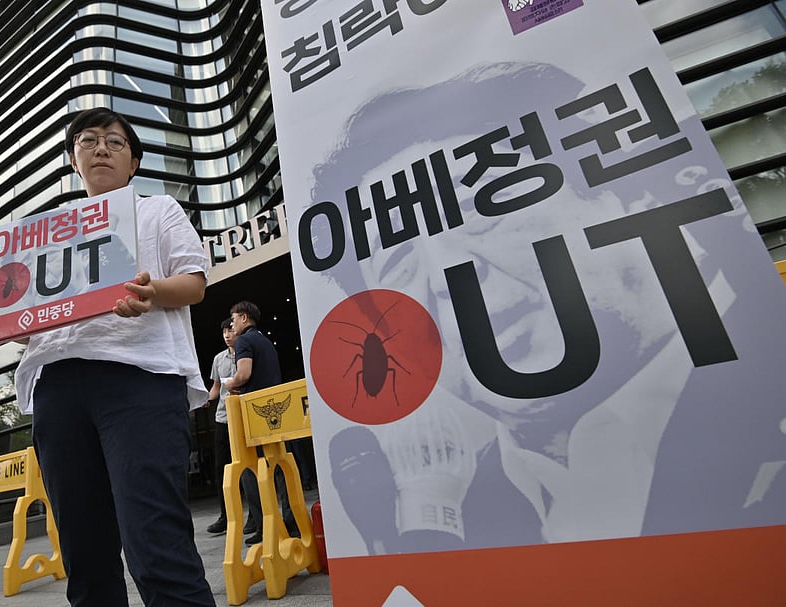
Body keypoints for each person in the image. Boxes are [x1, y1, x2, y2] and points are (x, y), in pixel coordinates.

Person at [307, 61, 786, 554]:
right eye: (396, 262)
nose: (449, 272)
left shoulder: (768, 376)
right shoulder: (454, 515)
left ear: (621, 197)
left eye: (479, 208)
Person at [0, 107, 216, 607]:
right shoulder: (49, 232)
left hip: (140, 378)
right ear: (74, 160)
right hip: (57, 388)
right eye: (88, 141)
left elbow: (194, 284)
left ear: (134, 162)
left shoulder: (158, 210)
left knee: (156, 543)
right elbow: (38, 323)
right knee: (84, 555)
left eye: (115, 141)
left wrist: (152, 292)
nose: (101, 149)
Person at [225, 300, 298, 545]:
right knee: (280, 466)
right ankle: (291, 521)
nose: (232, 325)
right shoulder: (265, 341)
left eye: (234, 319)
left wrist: (230, 383)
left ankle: (264, 525)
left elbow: (244, 373)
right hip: (275, 410)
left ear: (244, 318)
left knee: (250, 469)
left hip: (254, 413)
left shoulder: (244, 341)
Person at [205, 317, 257, 536]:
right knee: (223, 469)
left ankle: (254, 516)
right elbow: (216, 387)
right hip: (223, 419)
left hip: (244, 417)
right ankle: (226, 516)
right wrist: (206, 399)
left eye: (230, 330)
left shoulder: (247, 353)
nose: (227, 335)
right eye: (224, 332)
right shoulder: (218, 359)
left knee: (248, 468)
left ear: (238, 330)